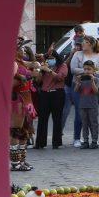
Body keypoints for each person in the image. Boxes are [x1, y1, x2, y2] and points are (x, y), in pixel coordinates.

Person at [68, 35, 99, 147]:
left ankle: (94, 139)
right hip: (78, 84)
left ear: (91, 44)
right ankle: (77, 138)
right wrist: (87, 72)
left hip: (92, 85)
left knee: (92, 117)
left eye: (84, 42)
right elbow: (73, 69)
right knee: (79, 113)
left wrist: (91, 74)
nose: (82, 44)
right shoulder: (77, 54)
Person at [10, 41, 37, 171]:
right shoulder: (12, 63)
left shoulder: (20, 62)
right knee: (16, 130)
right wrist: (20, 79)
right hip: (17, 100)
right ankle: (15, 163)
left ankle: (22, 160)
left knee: (25, 130)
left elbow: (33, 64)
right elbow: (8, 84)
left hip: (27, 99)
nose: (23, 51)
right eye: (21, 49)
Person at [34, 49, 67, 149]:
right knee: (42, 119)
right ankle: (40, 143)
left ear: (57, 58)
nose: (50, 60)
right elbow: (38, 81)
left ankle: (57, 143)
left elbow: (60, 78)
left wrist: (49, 70)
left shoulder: (63, 66)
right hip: (45, 94)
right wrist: (40, 71)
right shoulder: (44, 66)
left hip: (57, 94)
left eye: (52, 58)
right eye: (48, 59)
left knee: (57, 118)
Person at [60, 25, 85, 136]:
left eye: (81, 32)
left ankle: (78, 136)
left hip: (80, 85)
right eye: (78, 32)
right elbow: (65, 65)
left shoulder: (86, 51)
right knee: (65, 111)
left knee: (80, 112)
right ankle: (59, 132)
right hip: (68, 85)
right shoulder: (70, 50)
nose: (78, 46)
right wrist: (71, 54)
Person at [74, 60, 99, 149]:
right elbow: (76, 91)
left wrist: (92, 81)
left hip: (92, 105)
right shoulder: (81, 80)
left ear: (93, 71)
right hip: (82, 105)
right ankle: (85, 141)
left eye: (89, 69)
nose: (86, 71)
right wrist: (78, 83)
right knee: (84, 124)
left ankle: (94, 141)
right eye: (85, 69)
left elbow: (96, 92)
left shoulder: (96, 80)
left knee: (93, 123)